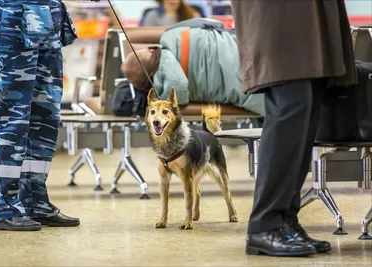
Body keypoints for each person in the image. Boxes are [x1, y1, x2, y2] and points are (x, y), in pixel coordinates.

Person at [231, 0, 357, 257]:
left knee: (307, 104)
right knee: (291, 100)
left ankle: (285, 219)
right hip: (279, 13)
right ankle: (264, 225)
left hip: (307, 13)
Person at [0, 0, 81, 231]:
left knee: (44, 119)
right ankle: (3, 206)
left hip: (47, 24)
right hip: (10, 25)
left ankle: (33, 200)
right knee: (9, 119)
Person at [121, 18, 264, 115]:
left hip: (254, 92)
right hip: (254, 48)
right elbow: (214, 24)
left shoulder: (172, 95)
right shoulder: (172, 34)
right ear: (151, 50)